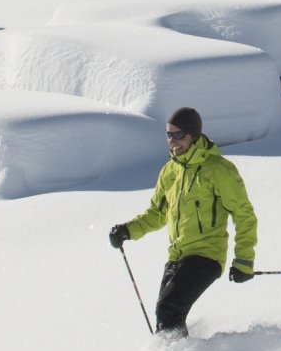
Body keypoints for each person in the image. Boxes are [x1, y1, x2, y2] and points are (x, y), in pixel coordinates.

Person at [109, 106, 258, 338]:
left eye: (178, 135)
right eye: (169, 135)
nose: (172, 141)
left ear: (194, 135)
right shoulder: (170, 171)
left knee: (168, 309)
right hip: (177, 257)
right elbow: (157, 214)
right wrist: (128, 230)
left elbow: (243, 214)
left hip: (206, 256)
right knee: (165, 318)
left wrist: (244, 260)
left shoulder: (218, 169)